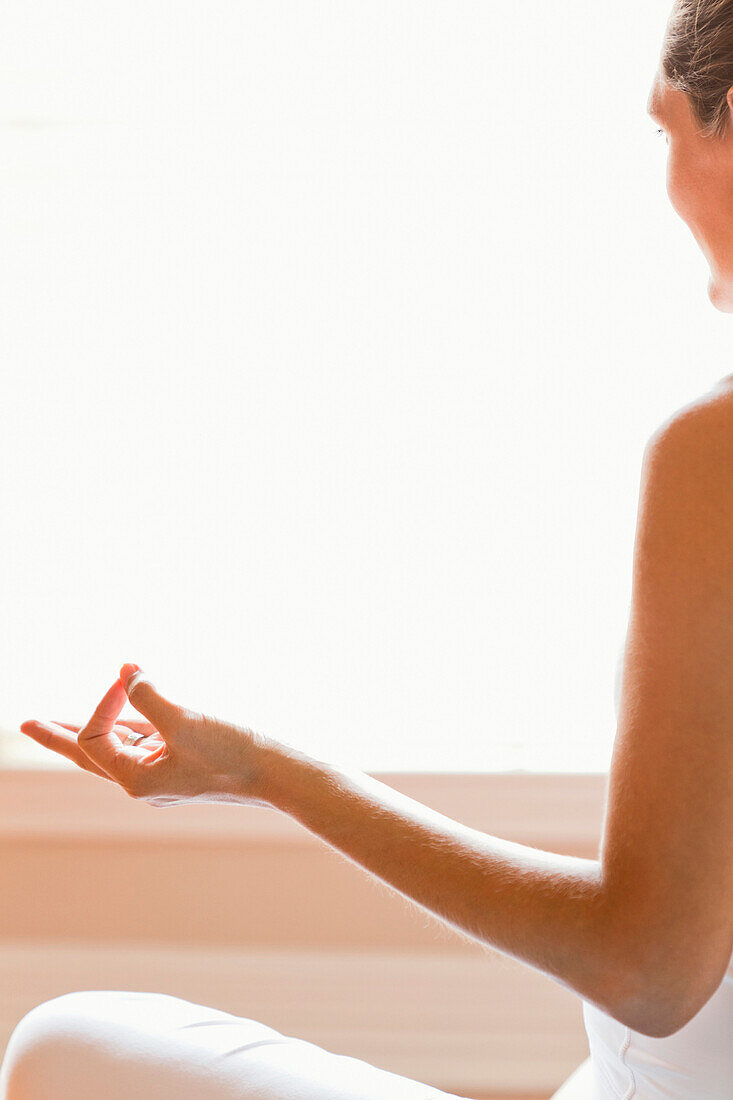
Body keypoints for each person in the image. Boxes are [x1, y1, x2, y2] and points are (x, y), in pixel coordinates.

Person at [3, 2, 733, 1097]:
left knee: (62, 1048)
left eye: (665, 130)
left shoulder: (713, 450)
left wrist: (267, 770)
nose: (663, 175)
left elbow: (648, 963)